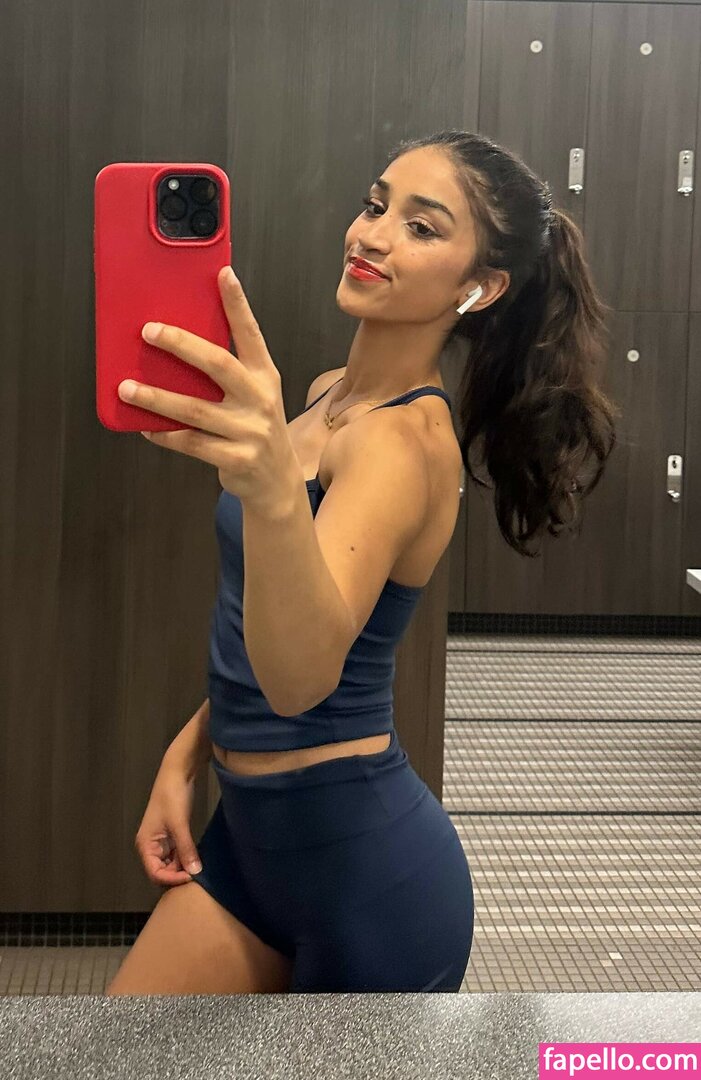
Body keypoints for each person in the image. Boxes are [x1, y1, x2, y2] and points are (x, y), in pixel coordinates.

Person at [105, 130, 618, 996]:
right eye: (376, 205)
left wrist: (273, 489)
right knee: (114, 1051)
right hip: (248, 843)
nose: (372, 235)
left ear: (479, 287)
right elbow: (262, 620)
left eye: (421, 227)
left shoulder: (403, 444)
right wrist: (185, 755)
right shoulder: (321, 398)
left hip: (366, 878)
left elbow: (300, 680)